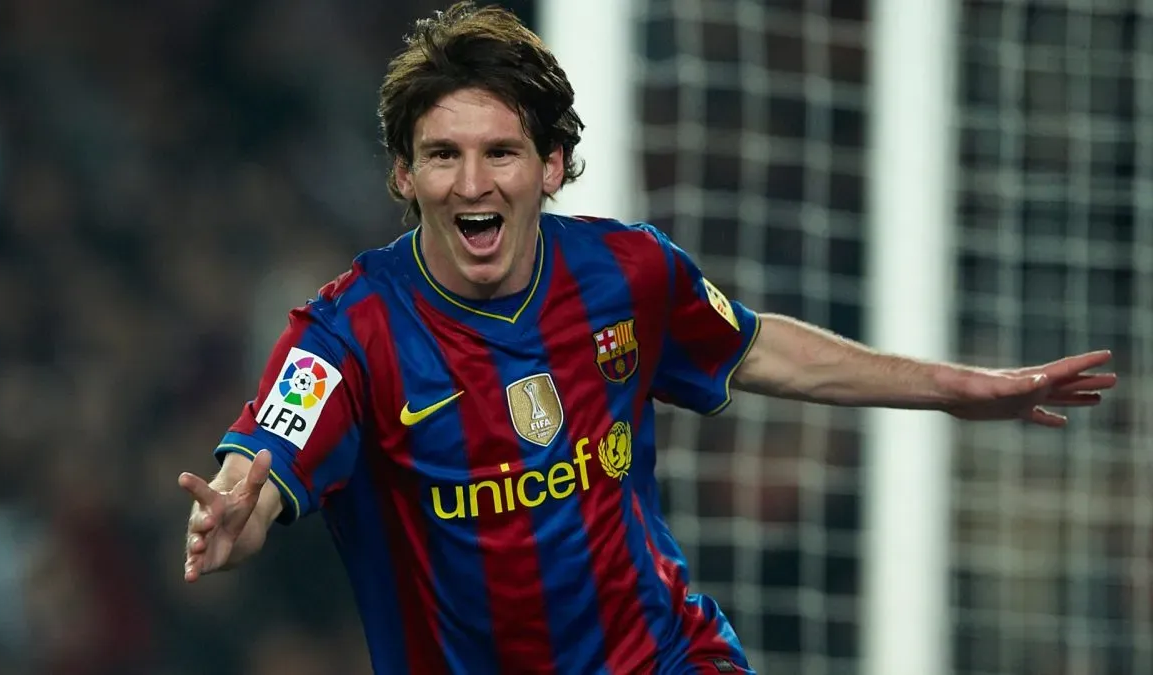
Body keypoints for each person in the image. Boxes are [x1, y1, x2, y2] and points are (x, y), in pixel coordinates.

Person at [177, 3, 1117, 673]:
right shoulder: (350, 332)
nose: (472, 183)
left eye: (499, 151)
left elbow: (759, 350)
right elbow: (263, 462)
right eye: (442, 155)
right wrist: (235, 512)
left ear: (550, 165)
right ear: (404, 175)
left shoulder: (627, 273)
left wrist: (959, 387)